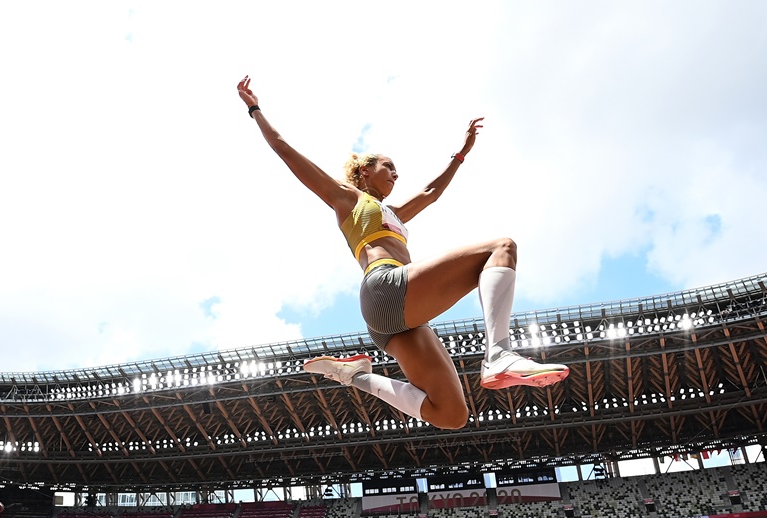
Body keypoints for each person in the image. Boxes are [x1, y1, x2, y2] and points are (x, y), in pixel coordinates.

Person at [237, 77, 569, 431]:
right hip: (385, 285)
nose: (396, 173)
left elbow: (429, 192)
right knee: (501, 248)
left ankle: (353, 376)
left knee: (452, 414)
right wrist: (255, 109)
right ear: (365, 171)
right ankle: (499, 353)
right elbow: (285, 148)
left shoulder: (392, 212)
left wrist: (461, 154)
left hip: (393, 320)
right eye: (388, 166)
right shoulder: (348, 199)